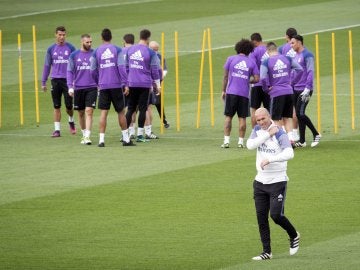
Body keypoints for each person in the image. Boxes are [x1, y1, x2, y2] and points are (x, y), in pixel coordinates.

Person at [246, 107, 300, 261]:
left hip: (277, 181)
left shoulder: (280, 133)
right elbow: (250, 145)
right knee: (261, 217)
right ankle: (266, 252)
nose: (261, 122)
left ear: (269, 116)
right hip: (260, 182)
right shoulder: (257, 130)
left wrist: (270, 159)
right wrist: (267, 135)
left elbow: (290, 153)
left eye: (263, 119)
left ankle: (294, 235)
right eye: (258, 120)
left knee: (276, 215)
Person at [90, 28, 134, 147]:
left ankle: (101, 140)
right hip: (116, 85)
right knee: (121, 112)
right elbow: (121, 67)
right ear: (111, 37)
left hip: (103, 86)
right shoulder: (117, 49)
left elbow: (92, 70)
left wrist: (98, 82)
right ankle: (126, 139)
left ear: (101, 37)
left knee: (104, 113)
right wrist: (126, 83)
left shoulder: (96, 51)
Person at [260, 42, 302, 145]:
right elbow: (299, 69)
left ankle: (281, 141)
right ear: (276, 49)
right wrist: (291, 81)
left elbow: (262, 77)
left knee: (276, 118)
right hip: (288, 91)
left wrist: (266, 89)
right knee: (287, 118)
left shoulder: (266, 61)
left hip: (276, 92)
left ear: (267, 51)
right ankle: (291, 139)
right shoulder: (287, 58)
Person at [123, 29, 161, 143]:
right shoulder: (151, 52)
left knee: (130, 109)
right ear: (148, 39)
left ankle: (127, 134)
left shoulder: (130, 50)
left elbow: (126, 67)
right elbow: (155, 70)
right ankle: (140, 135)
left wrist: (126, 83)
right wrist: (158, 85)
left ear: (140, 37)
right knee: (143, 109)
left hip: (132, 83)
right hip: (144, 84)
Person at [221, 39, 259, 148]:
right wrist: (248, 80)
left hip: (231, 92)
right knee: (242, 118)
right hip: (244, 94)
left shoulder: (231, 59)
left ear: (238, 48)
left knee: (228, 117)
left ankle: (226, 141)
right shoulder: (251, 62)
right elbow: (257, 79)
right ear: (249, 50)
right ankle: (240, 142)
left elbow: (225, 77)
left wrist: (223, 90)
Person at [42, 26, 76, 137]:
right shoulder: (51, 49)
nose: (62, 37)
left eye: (63, 35)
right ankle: (57, 130)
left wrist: (75, 80)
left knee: (69, 106)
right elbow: (47, 66)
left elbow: (76, 65)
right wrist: (43, 82)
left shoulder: (71, 48)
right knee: (56, 106)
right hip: (55, 80)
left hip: (68, 81)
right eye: (60, 35)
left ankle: (71, 120)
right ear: (55, 35)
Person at [290, 35, 321, 148]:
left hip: (305, 89)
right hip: (295, 89)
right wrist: (291, 84)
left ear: (299, 42)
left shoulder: (308, 55)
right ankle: (302, 141)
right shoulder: (295, 56)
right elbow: (294, 73)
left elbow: (310, 71)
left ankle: (316, 134)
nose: (291, 45)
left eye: (292, 43)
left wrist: (308, 88)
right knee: (298, 115)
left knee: (300, 113)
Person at [67, 34, 97, 145]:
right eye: (87, 42)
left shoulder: (95, 54)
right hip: (78, 88)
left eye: (90, 42)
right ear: (82, 42)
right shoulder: (74, 55)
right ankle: (84, 134)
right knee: (80, 113)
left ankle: (87, 136)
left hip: (92, 87)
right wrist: (70, 86)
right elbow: (69, 71)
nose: (89, 44)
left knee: (89, 111)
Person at [249, 33, 270, 127]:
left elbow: (251, 66)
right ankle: (271, 133)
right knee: (269, 110)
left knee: (254, 110)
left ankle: (255, 134)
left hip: (257, 84)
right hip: (269, 84)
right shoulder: (269, 49)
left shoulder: (253, 51)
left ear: (254, 41)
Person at [149, 40, 170, 129]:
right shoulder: (144, 56)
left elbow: (164, 70)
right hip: (146, 84)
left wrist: (160, 78)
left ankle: (164, 120)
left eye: (157, 49)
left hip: (157, 85)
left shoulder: (160, 57)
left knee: (158, 103)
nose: (155, 51)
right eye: (154, 49)